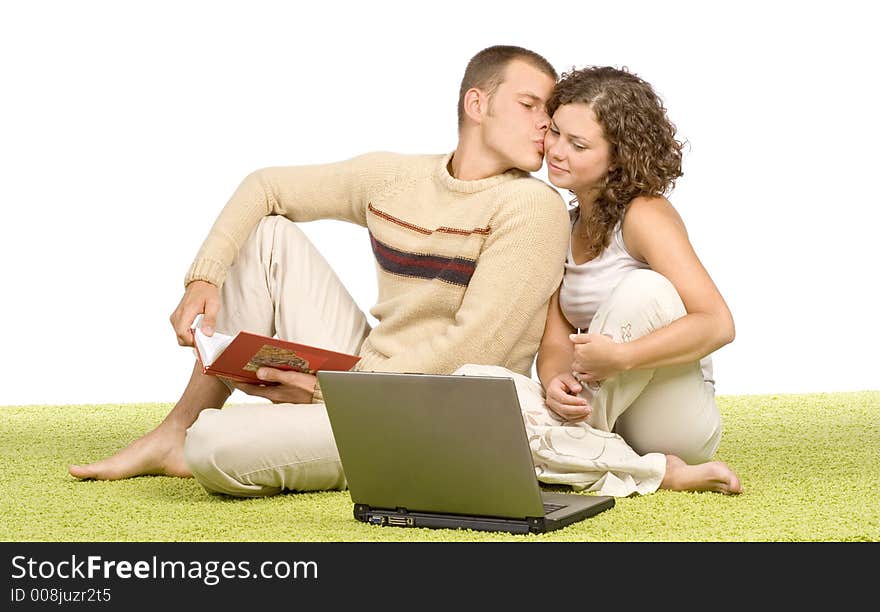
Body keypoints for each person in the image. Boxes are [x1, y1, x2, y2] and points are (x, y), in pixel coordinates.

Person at [67, 45, 574, 496]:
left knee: (214, 446)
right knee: (266, 235)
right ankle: (174, 430)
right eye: (530, 106)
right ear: (477, 104)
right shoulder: (397, 178)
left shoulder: (532, 207)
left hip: (442, 415)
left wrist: (322, 389)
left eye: (548, 116)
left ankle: (206, 436)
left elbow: (468, 356)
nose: (543, 127)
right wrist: (204, 277)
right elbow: (266, 185)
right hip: (371, 374)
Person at [457, 66, 742, 496]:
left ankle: (573, 447)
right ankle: (643, 467)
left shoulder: (645, 215)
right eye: (554, 132)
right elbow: (555, 344)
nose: (555, 150)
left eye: (578, 144)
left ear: (618, 157)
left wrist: (624, 357)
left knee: (645, 290)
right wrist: (555, 384)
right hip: (602, 410)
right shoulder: (561, 222)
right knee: (472, 381)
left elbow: (717, 324)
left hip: (669, 419)